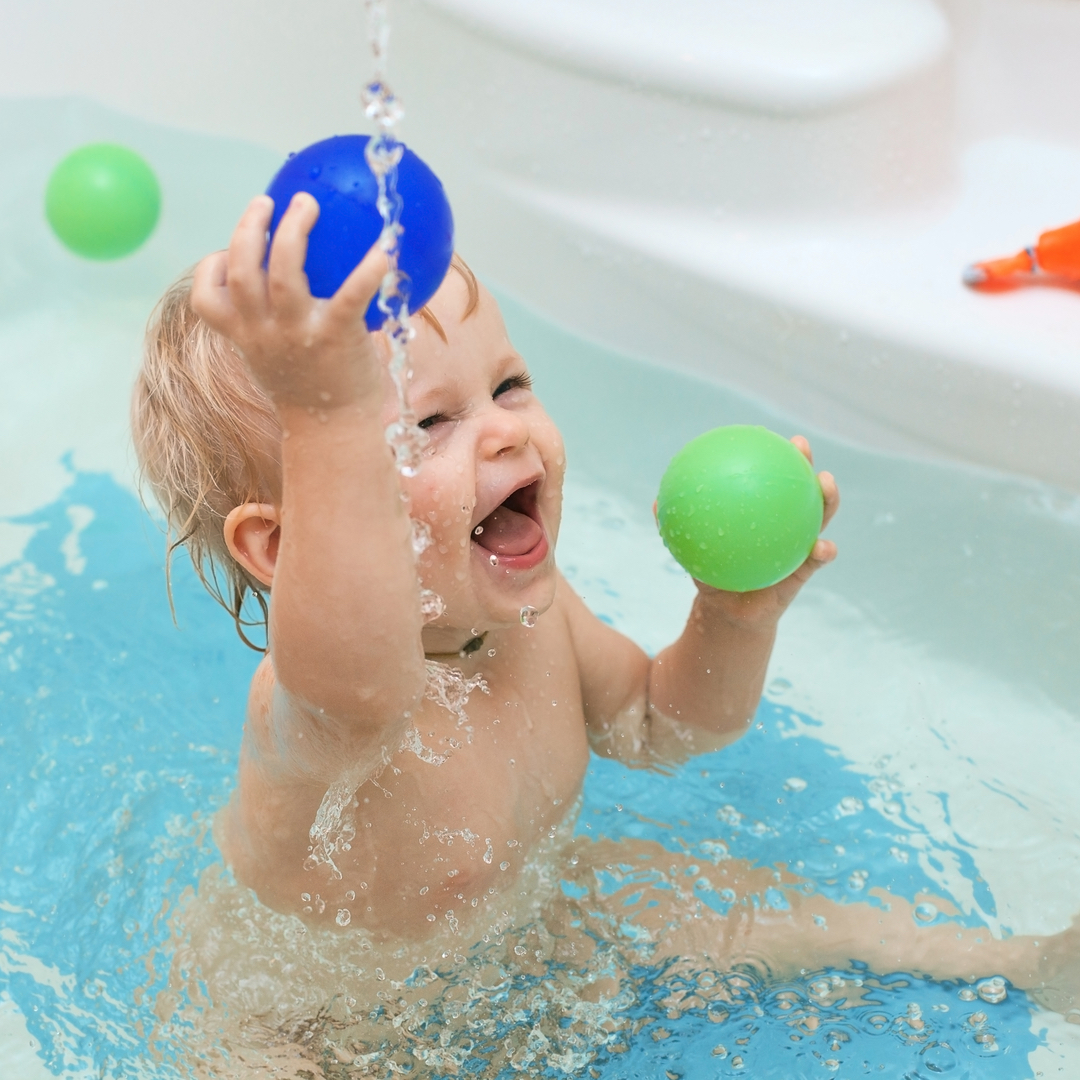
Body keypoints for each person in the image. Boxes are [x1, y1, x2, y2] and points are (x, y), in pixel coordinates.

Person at [133, 192, 1077, 1009]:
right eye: (427, 424)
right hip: (311, 1030)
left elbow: (658, 725)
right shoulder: (317, 713)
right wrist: (329, 409)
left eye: (507, 385)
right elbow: (355, 670)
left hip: (522, 926)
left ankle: (1015, 964)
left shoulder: (536, 619)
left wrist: (733, 616)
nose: (507, 433)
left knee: (732, 899)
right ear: (285, 547)